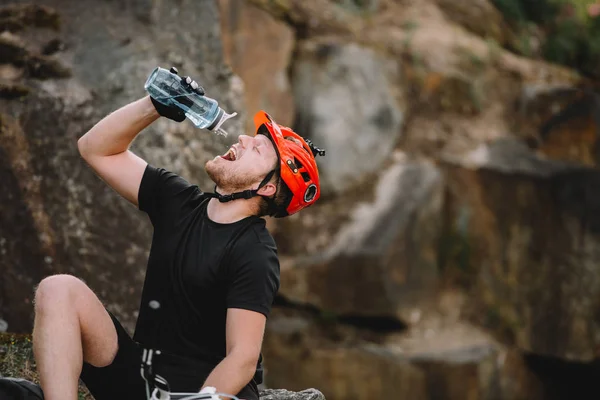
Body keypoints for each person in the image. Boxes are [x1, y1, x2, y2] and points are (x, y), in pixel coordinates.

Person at [31, 69, 325, 400]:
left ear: (266, 187)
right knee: (58, 289)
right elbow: (95, 149)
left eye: (257, 149)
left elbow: (242, 359)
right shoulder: (179, 201)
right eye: (250, 138)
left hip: (205, 391)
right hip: (144, 375)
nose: (242, 139)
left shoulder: (255, 252)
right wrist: (156, 105)